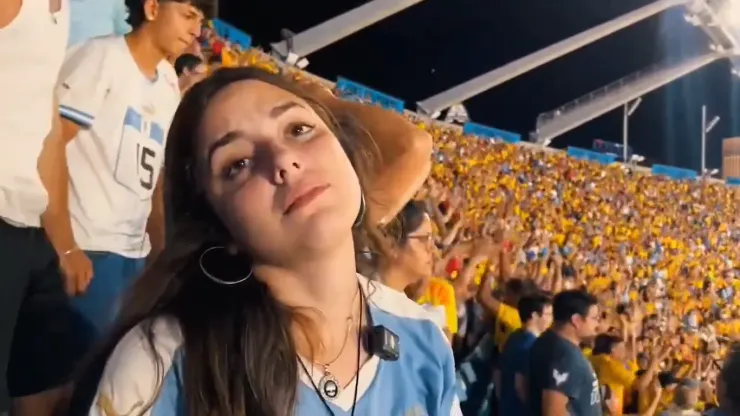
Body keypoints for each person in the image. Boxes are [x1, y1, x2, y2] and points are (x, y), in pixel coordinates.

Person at [67, 67, 461, 415]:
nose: (284, 160)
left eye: (299, 129)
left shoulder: (423, 340)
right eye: (237, 164)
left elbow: (412, 145)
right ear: (219, 227)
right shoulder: (164, 363)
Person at [48, 0, 212, 357]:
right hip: (88, 248)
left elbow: (153, 181)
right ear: (152, 8)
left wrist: (157, 251)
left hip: (130, 258)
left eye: (200, 21)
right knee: (53, 382)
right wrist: (66, 246)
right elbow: (51, 146)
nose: (196, 31)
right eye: (188, 15)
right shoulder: (101, 58)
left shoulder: (168, 82)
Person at [0, 1, 76, 415]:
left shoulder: (61, 11)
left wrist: (64, 246)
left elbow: (47, 133)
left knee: (49, 389)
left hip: (29, 230)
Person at [528, 290, 602, 416]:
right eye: (594, 318)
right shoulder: (566, 357)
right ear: (576, 320)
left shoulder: (547, 340)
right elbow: (553, 412)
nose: (598, 324)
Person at [499, 293, 553, 415]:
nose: (551, 319)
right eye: (548, 314)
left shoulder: (514, 336)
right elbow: (520, 386)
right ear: (534, 315)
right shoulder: (529, 346)